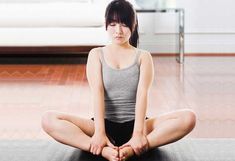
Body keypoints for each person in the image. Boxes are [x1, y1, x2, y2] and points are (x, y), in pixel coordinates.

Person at [41, 0, 196, 161]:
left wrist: (138, 133)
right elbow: (97, 93)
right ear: (106, 25)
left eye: (124, 24)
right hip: (101, 123)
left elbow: (142, 95)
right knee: (48, 119)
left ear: (133, 25)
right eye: (113, 24)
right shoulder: (96, 54)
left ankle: (135, 147)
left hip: (137, 123)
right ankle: (101, 149)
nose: (118, 31)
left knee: (189, 118)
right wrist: (100, 133)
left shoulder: (143, 56)